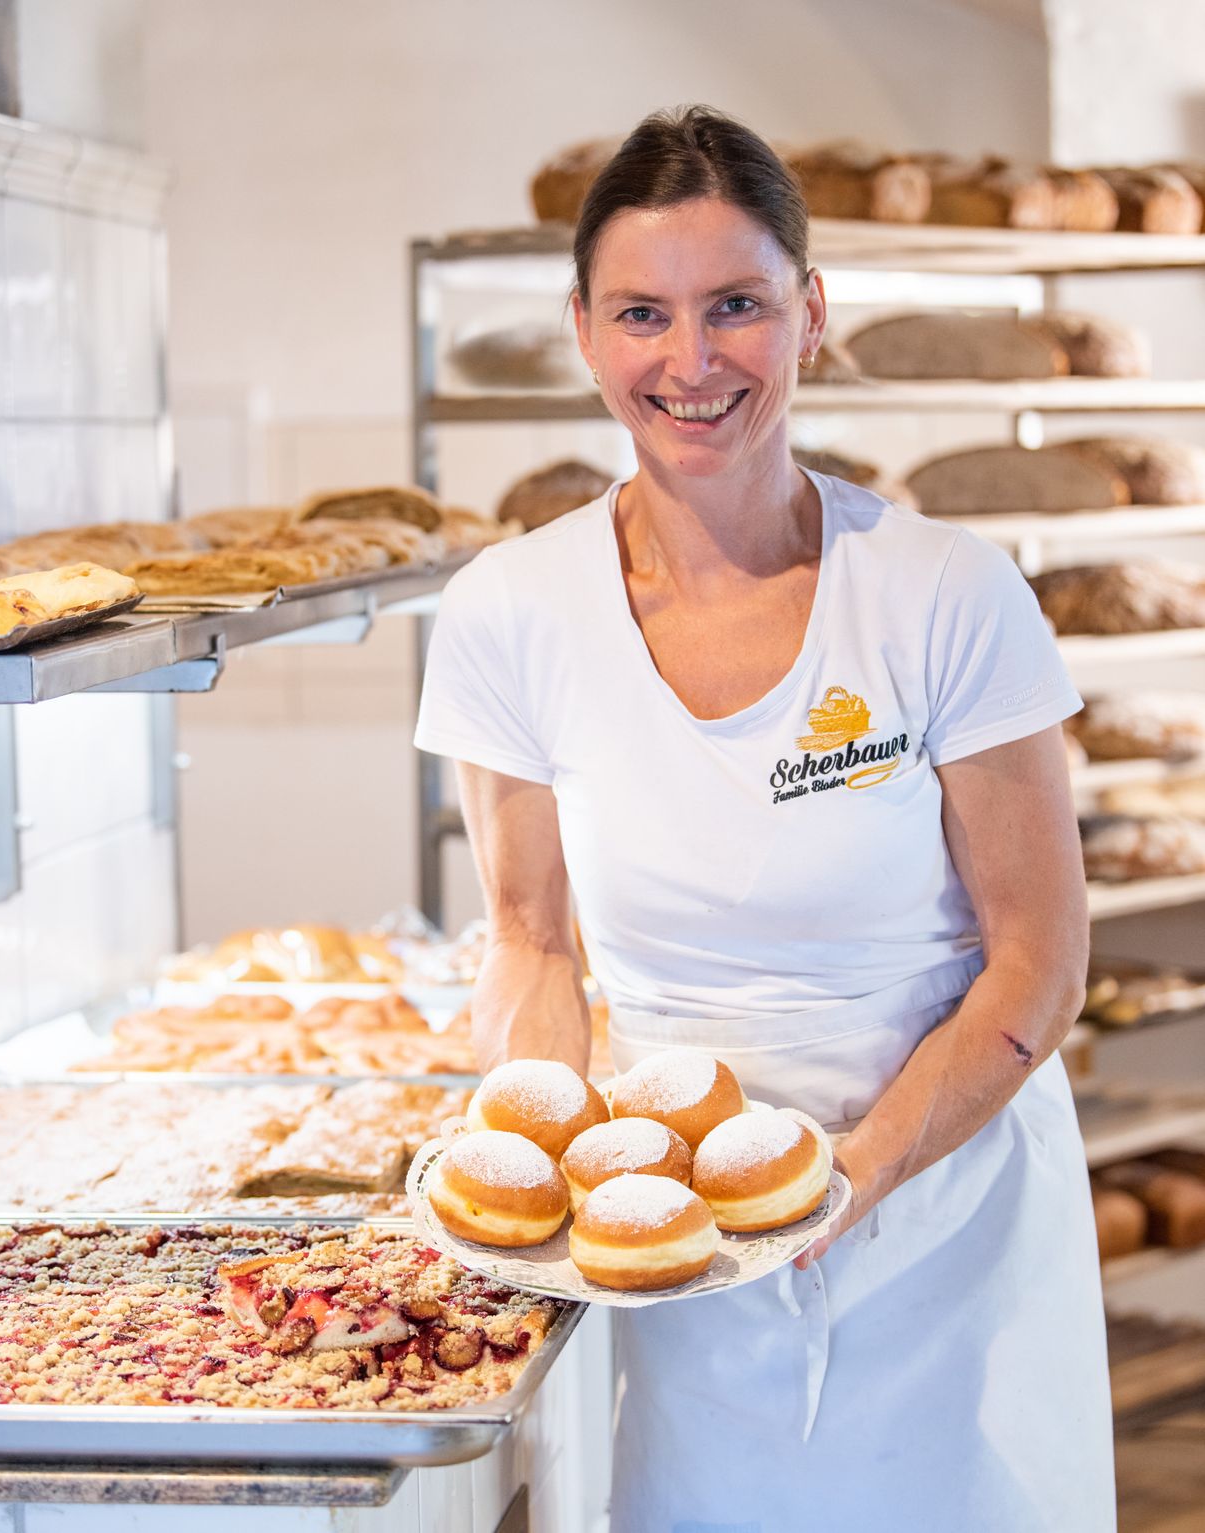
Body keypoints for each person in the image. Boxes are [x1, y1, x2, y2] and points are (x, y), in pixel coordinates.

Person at [415, 105, 1114, 1532]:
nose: (689, 361)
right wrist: (541, 1158)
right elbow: (530, 943)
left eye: (734, 304)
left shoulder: (941, 592)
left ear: (809, 311)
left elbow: (1036, 962)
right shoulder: (508, 609)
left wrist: (851, 1180)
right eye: (641, 314)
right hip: (671, 1235)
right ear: (583, 330)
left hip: (941, 1217)